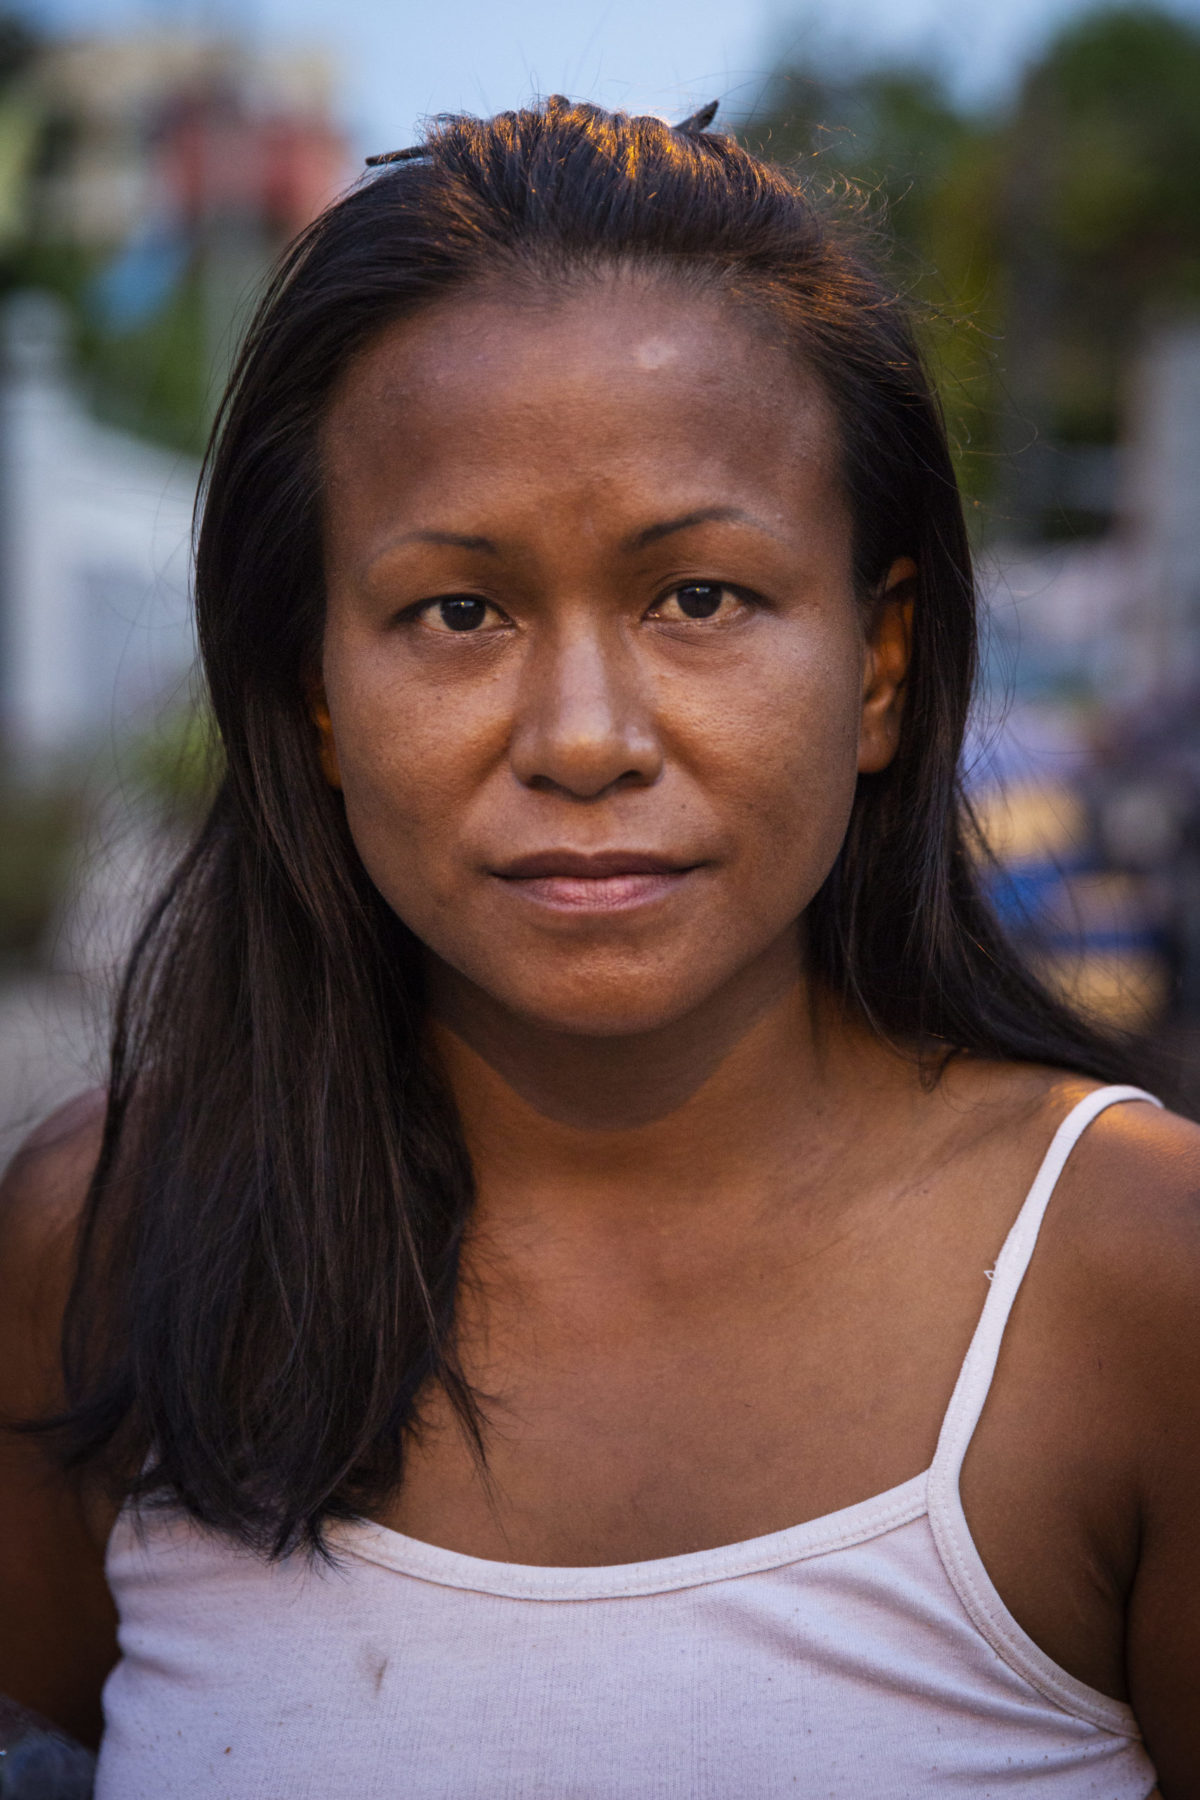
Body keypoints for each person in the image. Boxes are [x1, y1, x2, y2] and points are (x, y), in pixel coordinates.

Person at [0, 97, 1195, 1798]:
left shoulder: (1139, 1286)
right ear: (319, 695)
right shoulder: (106, 1244)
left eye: (698, 598)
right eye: (458, 612)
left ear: (877, 663)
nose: (582, 736)